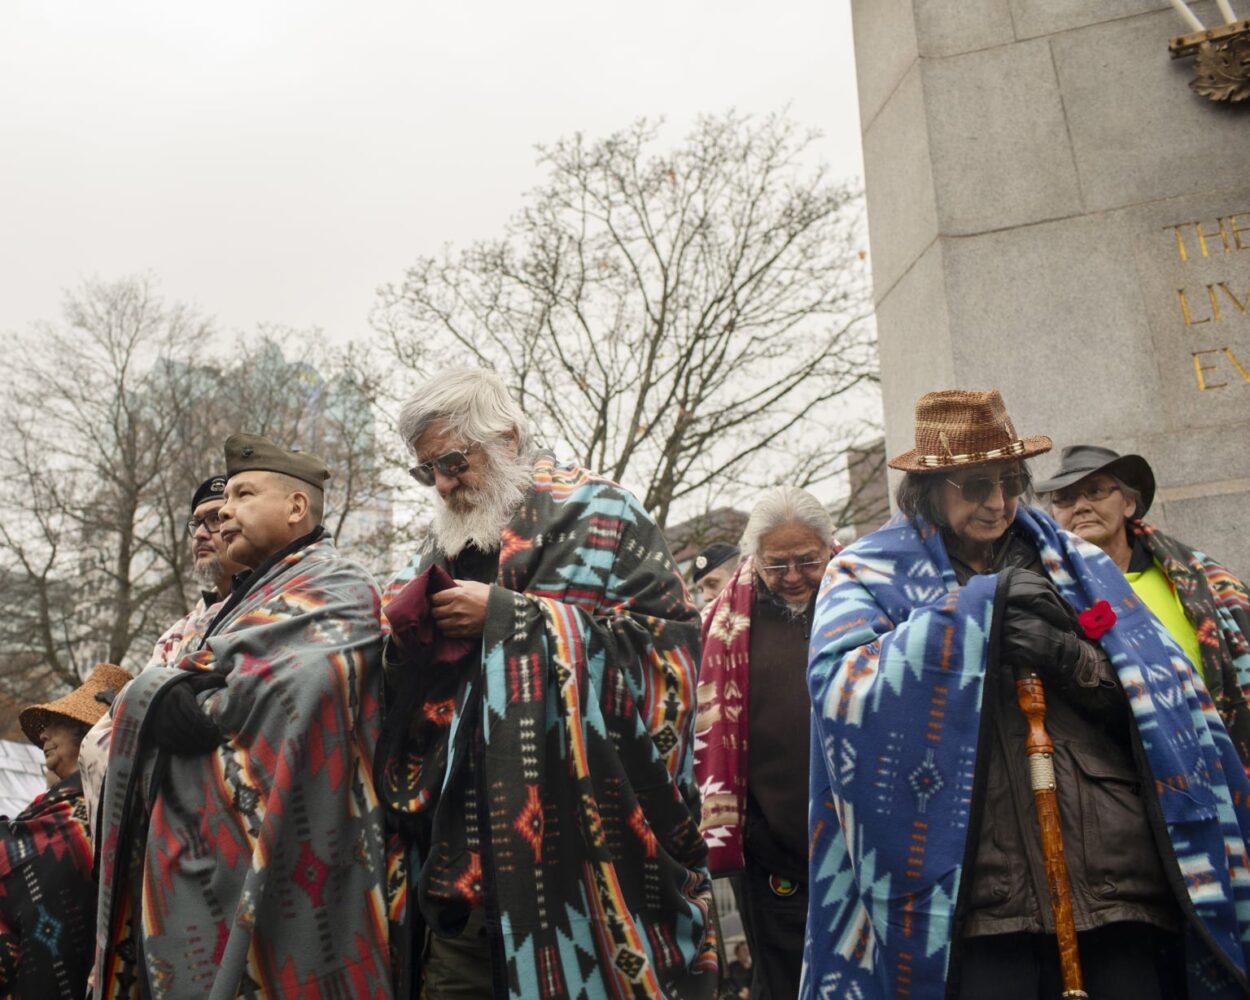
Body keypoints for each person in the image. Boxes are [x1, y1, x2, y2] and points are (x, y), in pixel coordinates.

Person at [804, 389, 1250, 1000]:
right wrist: (973, 618)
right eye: (977, 485)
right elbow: (841, 692)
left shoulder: (1077, 562)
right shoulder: (864, 573)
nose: (999, 503)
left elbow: (1163, 702)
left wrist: (1071, 661)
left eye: (1012, 481)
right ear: (929, 489)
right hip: (975, 899)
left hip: (1114, 880)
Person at [377, 367, 715, 999]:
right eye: (427, 472)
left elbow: (669, 665)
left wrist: (506, 619)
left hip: (587, 882)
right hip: (462, 889)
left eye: (452, 461)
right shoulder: (433, 549)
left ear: (505, 438)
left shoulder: (602, 512)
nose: (443, 484)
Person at [93, 434, 393, 999]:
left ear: (296, 508)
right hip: (194, 869)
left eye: (241, 495)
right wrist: (157, 694)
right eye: (220, 502)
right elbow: (195, 684)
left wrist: (164, 695)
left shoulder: (341, 588)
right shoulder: (236, 607)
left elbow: (285, 695)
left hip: (298, 867)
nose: (224, 513)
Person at [695, 486, 836, 1000]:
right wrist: (753, 832)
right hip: (774, 853)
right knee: (788, 985)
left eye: (807, 561)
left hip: (869, 844)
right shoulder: (722, 625)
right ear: (755, 558)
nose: (795, 577)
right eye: (779, 565)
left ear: (830, 547)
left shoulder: (864, 596)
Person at [1038, 444, 1250, 766]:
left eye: (1094, 491)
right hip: (1117, 766)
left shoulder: (1191, 578)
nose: (1079, 506)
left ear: (1129, 503)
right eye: (1064, 499)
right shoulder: (1048, 594)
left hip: (1221, 750)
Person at [78, 473, 248, 827]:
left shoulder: (277, 606)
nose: (201, 533)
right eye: (196, 523)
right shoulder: (176, 633)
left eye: (215, 519)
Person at [2, 664, 131, 999]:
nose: (43, 735)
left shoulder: (84, 813)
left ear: (89, 732)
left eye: (56, 723)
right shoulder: (63, 808)